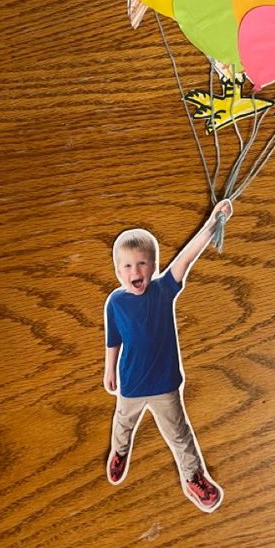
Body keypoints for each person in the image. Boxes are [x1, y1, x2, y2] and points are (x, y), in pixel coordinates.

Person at [103, 199, 233, 512]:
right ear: (119, 272)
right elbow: (113, 338)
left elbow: (188, 256)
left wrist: (213, 222)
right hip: (131, 385)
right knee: (122, 425)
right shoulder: (115, 303)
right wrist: (109, 371)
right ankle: (119, 453)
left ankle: (193, 478)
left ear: (155, 265)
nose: (136, 271)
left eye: (143, 263)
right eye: (128, 266)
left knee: (180, 436)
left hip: (164, 385)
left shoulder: (163, 290)